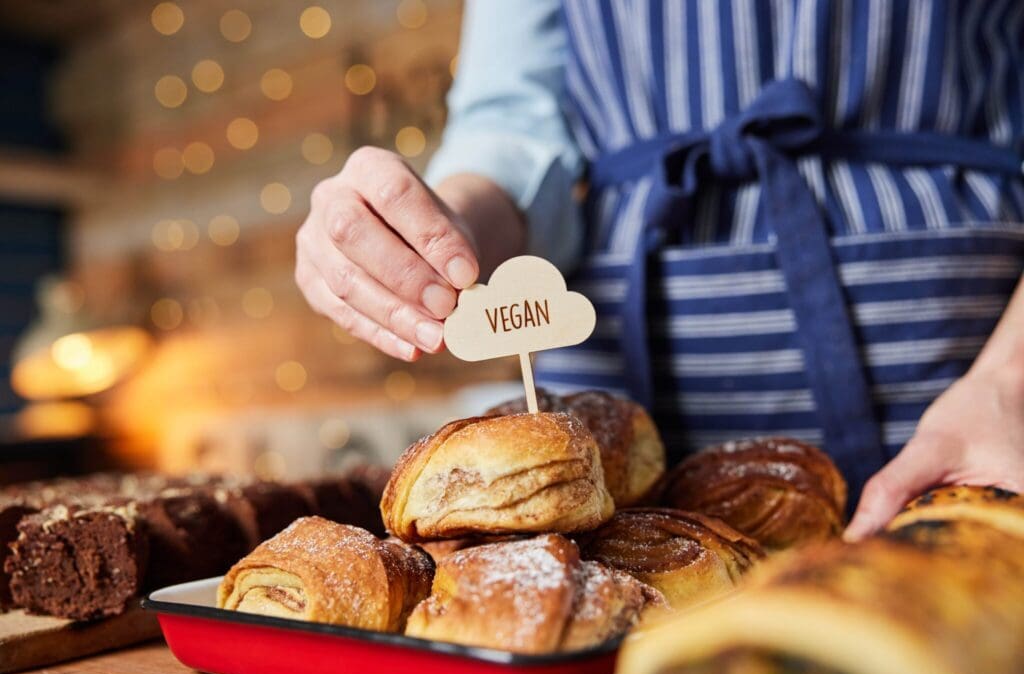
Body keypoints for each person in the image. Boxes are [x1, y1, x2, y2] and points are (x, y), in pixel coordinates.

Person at [295, 1, 1024, 538]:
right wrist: (442, 223)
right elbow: (516, 122)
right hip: (614, 461)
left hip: (975, 420)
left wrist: (1008, 383)